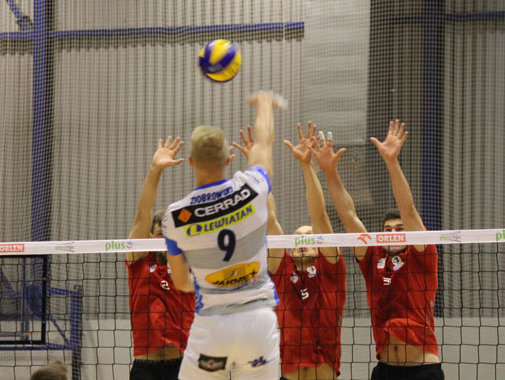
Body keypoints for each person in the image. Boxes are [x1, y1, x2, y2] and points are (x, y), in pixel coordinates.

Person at [162, 91, 283, 379]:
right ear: (229, 159)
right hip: (258, 324)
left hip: (213, 329)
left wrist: (215, 281)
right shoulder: (253, 187)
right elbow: (264, 145)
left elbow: (181, 282)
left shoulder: (175, 218)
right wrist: (264, 104)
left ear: (190, 162)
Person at [313, 121, 443, 380]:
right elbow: (348, 215)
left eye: (400, 229)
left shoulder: (422, 255)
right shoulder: (373, 257)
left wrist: (391, 162)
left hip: (423, 370)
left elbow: (409, 210)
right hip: (384, 370)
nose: (393, 233)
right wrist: (329, 172)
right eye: (387, 229)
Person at [234, 122, 346, 380]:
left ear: (319, 245)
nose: (302, 242)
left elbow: (320, 216)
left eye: (309, 237)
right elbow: (270, 220)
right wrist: (256, 168)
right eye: (296, 239)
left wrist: (306, 165)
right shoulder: (281, 268)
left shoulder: (331, 269)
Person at [126, 136, 195, 380]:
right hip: (146, 368)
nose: (166, 239)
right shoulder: (139, 260)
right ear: (150, 236)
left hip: (183, 365)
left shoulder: (191, 266)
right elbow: (142, 214)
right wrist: (155, 170)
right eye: (160, 234)